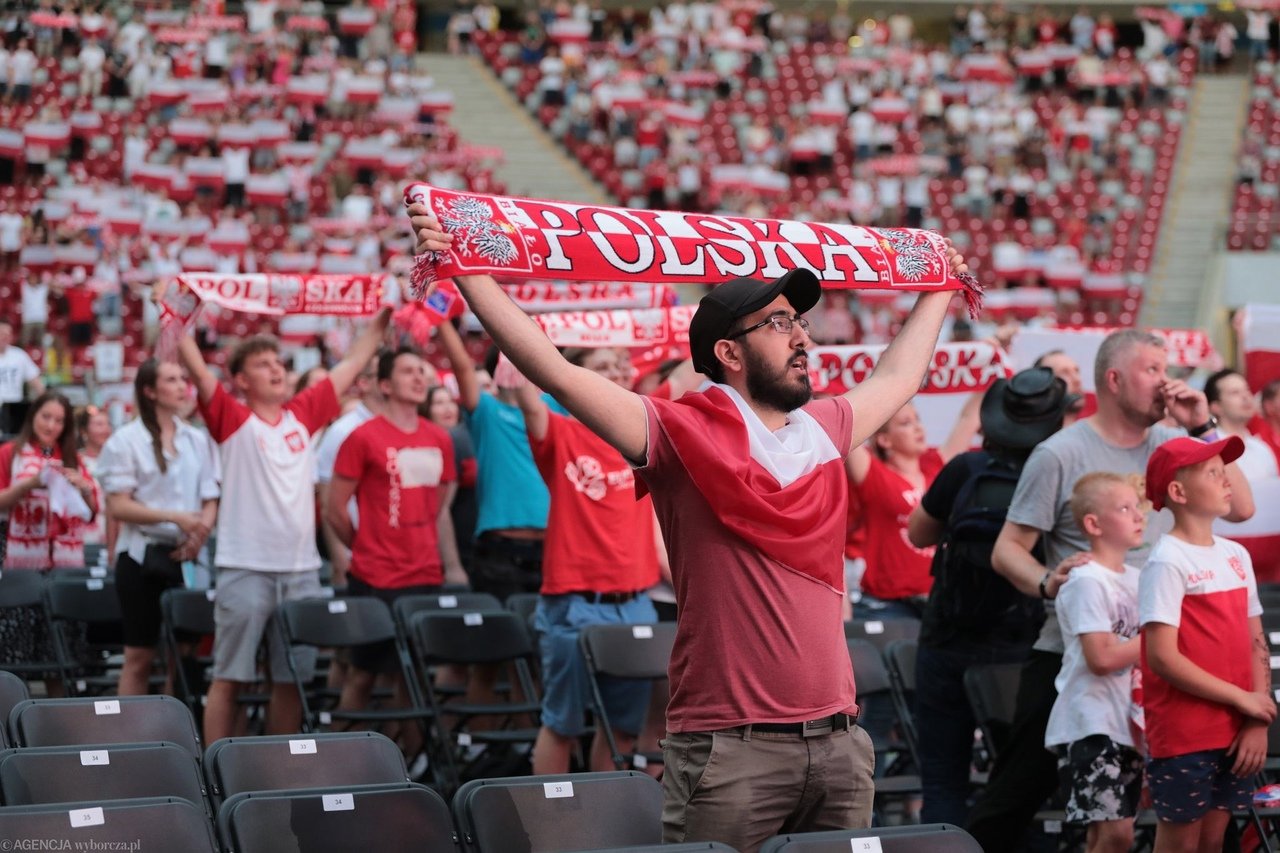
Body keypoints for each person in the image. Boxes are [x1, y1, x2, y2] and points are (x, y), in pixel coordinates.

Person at [409, 203, 967, 852]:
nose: (802, 338)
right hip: (730, 748)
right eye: (779, 322)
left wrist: (941, 286)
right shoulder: (676, 432)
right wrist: (465, 268)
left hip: (840, 742)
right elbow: (555, 370)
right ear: (729, 352)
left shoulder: (825, 427)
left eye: (800, 322)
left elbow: (899, 376)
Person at [969, 329, 1255, 852]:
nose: (1166, 382)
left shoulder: (1172, 443)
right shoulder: (1060, 452)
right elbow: (1007, 548)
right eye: (1152, 370)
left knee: (1190, 810)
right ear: (1115, 380)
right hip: (1078, 651)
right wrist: (1046, 581)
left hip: (1165, 654)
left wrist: (1202, 425)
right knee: (1016, 794)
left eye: (1167, 369)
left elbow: (1241, 508)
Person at [177, 307, 391, 743]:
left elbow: (354, 361)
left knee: (292, 678)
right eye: (263, 364)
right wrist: (174, 316)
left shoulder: (303, 413)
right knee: (230, 677)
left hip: (301, 571)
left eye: (279, 362)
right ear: (241, 381)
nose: (276, 369)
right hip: (245, 568)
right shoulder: (232, 417)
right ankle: (215, 767)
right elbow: (197, 370)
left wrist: (385, 311)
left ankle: (282, 766)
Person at [906, 367, 1072, 827]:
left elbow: (918, 533)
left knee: (943, 779)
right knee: (1017, 782)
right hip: (1021, 646)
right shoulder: (1057, 475)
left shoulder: (966, 469)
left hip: (947, 638)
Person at [508, 347, 662, 775]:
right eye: (600, 367)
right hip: (575, 603)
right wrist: (515, 348)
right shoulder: (561, 433)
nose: (614, 372)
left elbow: (688, 374)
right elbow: (527, 397)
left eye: (618, 365)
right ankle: (553, 815)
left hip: (636, 605)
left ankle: (606, 811)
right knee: (563, 726)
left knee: (623, 730)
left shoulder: (646, 435)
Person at [1140, 436, 1275, 852]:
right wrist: (1242, 699)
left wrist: (1257, 718)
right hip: (1185, 733)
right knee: (1181, 845)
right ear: (1178, 492)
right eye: (1213, 473)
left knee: (1213, 841)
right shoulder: (1167, 559)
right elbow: (1162, 658)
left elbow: (1256, 641)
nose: (1227, 480)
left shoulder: (1236, 554)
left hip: (1237, 729)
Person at [327, 346, 460, 750]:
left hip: (425, 573)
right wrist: (366, 545)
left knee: (414, 678)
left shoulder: (439, 437)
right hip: (375, 577)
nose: (419, 378)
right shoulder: (361, 437)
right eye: (407, 371)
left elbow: (438, 503)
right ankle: (335, 763)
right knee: (363, 675)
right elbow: (334, 508)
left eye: (422, 371)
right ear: (385, 385)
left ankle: (414, 765)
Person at [97, 360, 220, 696]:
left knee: (185, 654)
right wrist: (175, 518)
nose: (182, 386)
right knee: (139, 656)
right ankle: (128, 728)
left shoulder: (196, 439)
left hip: (189, 554)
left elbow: (211, 496)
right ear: (150, 391)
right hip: (142, 553)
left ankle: (176, 723)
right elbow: (118, 505)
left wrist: (200, 533)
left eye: (183, 378)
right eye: (171, 379)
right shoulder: (126, 440)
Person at [1045, 472, 1147, 853]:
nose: (1138, 516)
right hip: (1091, 723)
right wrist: (1161, 638)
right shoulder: (1086, 580)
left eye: (1137, 507)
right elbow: (1101, 658)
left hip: (1128, 722)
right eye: (1124, 508)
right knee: (1116, 834)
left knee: (1108, 835)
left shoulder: (1138, 578)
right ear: (1093, 524)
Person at [433, 319, 549, 600]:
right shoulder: (487, 411)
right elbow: (462, 366)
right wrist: (439, 315)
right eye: (514, 358)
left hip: (554, 549)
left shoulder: (554, 410)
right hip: (499, 551)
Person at [0, 391, 100, 690]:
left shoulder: (72, 458)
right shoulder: (10, 453)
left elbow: (91, 512)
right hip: (20, 565)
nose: (51, 425)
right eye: (46, 417)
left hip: (63, 565)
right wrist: (30, 484)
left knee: (60, 652)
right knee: (16, 650)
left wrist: (83, 488)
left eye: (59, 421)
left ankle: (59, 713)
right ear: (33, 416)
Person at [846, 396, 980, 617]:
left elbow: (969, 418)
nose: (918, 427)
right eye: (906, 423)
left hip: (938, 602)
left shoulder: (937, 468)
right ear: (884, 440)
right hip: (889, 606)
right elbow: (845, 430)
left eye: (918, 420)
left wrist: (990, 377)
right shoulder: (874, 475)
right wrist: (827, 390)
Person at [314, 356, 383, 587]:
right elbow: (329, 505)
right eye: (383, 373)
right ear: (364, 382)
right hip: (358, 554)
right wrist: (341, 560)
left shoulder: (406, 425)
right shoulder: (342, 431)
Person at [0, 320, 43, 436]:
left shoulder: (19, 355)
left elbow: (36, 382)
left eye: (8, 334)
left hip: (14, 408)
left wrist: (43, 402)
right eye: (2, 333)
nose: (5, 337)